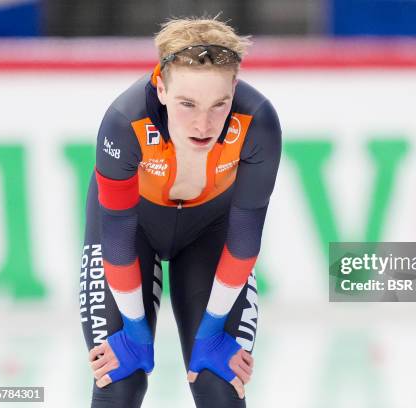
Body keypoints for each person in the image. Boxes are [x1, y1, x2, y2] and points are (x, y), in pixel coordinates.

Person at [78, 16, 281, 408]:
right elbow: (118, 237)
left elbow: (243, 240)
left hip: (211, 230)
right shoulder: (125, 121)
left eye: (219, 105)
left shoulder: (259, 122)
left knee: (219, 382)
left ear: (234, 89)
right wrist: (134, 331)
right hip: (132, 231)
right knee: (119, 379)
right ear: (161, 86)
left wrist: (212, 331)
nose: (203, 124)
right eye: (187, 104)